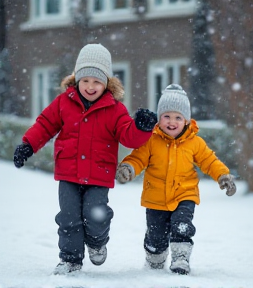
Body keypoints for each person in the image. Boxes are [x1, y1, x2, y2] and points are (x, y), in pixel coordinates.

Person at [13, 43, 157, 275]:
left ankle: (97, 241)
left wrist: (141, 128)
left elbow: (129, 136)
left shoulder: (115, 109)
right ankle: (70, 259)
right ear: (77, 79)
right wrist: (28, 145)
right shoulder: (63, 103)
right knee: (68, 218)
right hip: (68, 173)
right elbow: (45, 125)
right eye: (86, 80)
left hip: (98, 175)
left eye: (97, 81)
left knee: (95, 215)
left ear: (106, 83)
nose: (90, 86)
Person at [116, 84, 236, 275]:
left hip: (184, 194)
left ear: (186, 120)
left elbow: (209, 160)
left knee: (182, 225)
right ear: (159, 118)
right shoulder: (151, 140)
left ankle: (181, 258)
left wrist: (222, 175)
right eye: (167, 116)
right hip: (155, 197)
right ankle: (155, 259)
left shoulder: (194, 142)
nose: (172, 122)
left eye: (178, 117)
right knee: (156, 234)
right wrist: (129, 168)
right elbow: (138, 158)